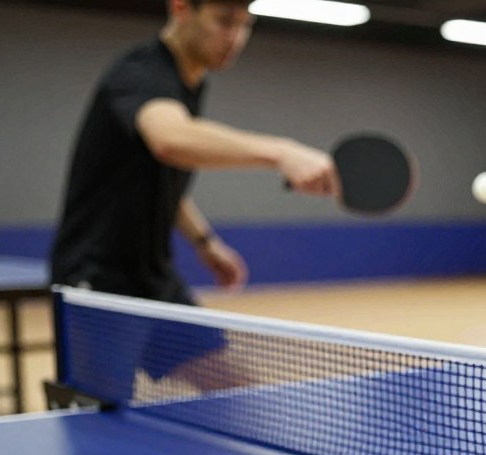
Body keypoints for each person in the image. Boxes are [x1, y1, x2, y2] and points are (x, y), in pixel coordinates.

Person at [50, 0, 338, 304]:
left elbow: (162, 183)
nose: (236, 38)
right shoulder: (141, 71)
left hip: (152, 273)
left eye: (245, 25)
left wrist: (205, 242)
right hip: (97, 275)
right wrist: (282, 152)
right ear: (181, 9)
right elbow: (170, 140)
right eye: (225, 21)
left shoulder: (187, 86)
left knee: (208, 350)